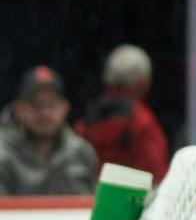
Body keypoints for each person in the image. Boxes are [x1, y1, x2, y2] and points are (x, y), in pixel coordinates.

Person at [75, 43, 170, 184]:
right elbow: (156, 176)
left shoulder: (86, 119)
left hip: (93, 199)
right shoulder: (142, 121)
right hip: (132, 200)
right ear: (143, 82)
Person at [0, 66, 98, 195]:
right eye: (36, 105)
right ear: (18, 109)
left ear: (65, 108)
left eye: (52, 104)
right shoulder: (3, 154)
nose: (45, 113)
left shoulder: (81, 152)